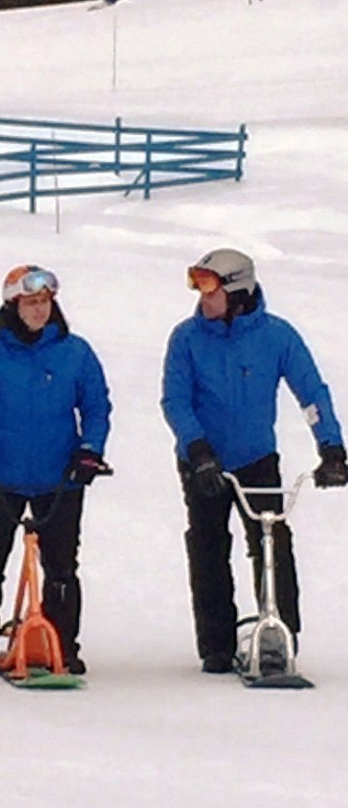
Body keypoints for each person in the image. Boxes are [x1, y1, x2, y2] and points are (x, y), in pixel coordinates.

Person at [161, 247, 348, 674]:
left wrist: (331, 448)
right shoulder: (186, 338)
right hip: (203, 461)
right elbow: (176, 401)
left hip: (256, 459)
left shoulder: (277, 336)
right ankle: (215, 643)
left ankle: (279, 635)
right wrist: (198, 448)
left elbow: (312, 393)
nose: (202, 299)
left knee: (271, 542)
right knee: (208, 544)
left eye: (210, 289)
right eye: (199, 288)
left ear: (238, 291)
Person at [0, 265, 112, 676]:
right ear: (13, 306)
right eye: (31, 302)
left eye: (45, 302)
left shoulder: (76, 353)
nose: (40, 310)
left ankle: (61, 644)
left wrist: (90, 451)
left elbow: (96, 405)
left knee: (61, 568)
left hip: (60, 480)